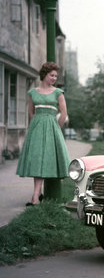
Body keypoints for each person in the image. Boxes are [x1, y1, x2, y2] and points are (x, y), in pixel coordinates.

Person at [16, 62, 71, 206]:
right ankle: (37, 194)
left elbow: (64, 114)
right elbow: (31, 113)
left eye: (55, 76)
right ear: (44, 75)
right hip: (36, 130)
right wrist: (35, 128)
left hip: (52, 128)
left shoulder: (58, 93)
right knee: (37, 161)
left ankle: (36, 196)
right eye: (51, 75)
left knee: (47, 160)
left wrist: (56, 129)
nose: (54, 78)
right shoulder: (33, 93)